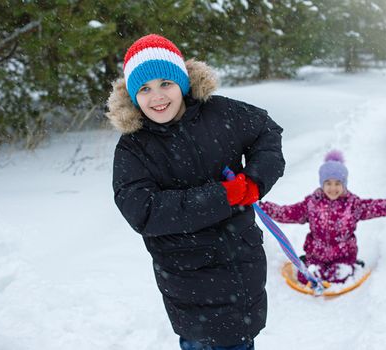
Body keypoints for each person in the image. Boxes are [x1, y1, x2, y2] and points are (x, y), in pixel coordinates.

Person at [107, 34, 285, 350]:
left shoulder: (220, 113)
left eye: (166, 83)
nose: (157, 96)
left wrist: (255, 179)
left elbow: (266, 132)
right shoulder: (134, 147)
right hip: (189, 282)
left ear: (183, 82)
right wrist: (223, 196)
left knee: (242, 339)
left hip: (242, 266)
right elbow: (143, 210)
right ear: (134, 96)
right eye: (144, 89)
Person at [259, 150, 386, 285]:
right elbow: (288, 213)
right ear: (322, 184)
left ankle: (349, 267)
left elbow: (379, 207)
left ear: (344, 185)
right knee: (307, 277)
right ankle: (313, 267)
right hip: (316, 255)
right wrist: (264, 208)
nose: (333, 188)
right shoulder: (312, 204)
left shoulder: (353, 205)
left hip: (343, 255)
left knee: (338, 275)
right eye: (328, 183)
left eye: (337, 183)